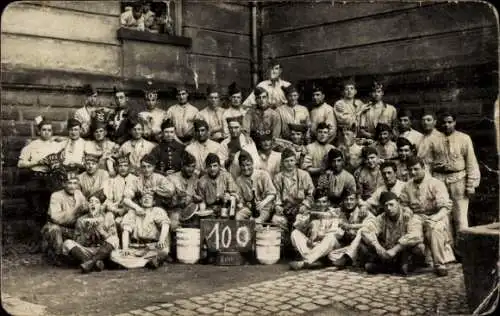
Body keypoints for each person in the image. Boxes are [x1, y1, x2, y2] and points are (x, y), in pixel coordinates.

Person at [399, 157, 456, 276]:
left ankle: (439, 264)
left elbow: (445, 207)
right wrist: (407, 210)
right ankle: (407, 260)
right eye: (410, 170)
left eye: (416, 169)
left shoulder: (435, 184)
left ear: (423, 168)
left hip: (436, 215)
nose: (413, 172)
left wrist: (434, 218)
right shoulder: (407, 186)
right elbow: (403, 203)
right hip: (417, 216)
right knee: (412, 233)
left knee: (435, 229)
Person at [432, 112, 480, 244]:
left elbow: (471, 162)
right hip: (440, 180)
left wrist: (471, 185)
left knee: (460, 217)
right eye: (444, 122)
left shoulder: (464, 138)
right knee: (443, 215)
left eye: (449, 122)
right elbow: (428, 162)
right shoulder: (434, 139)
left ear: (455, 122)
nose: (446, 125)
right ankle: (449, 251)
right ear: (439, 123)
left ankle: (464, 250)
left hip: (459, 180)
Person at [359, 191, 425, 275]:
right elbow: (366, 231)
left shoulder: (409, 216)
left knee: (419, 247)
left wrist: (395, 249)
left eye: (391, 204)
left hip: (403, 252)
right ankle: (395, 267)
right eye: (386, 206)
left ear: (398, 203)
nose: (389, 208)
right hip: (386, 251)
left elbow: (416, 235)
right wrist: (378, 247)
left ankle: (387, 268)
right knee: (363, 245)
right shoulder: (382, 218)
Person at [17, 117, 64, 230]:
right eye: (44, 129)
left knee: (52, 209)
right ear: (39, 131)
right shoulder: (32, 145)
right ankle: (37, 240)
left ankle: (50, 238)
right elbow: (20, 163)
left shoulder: (56, 145)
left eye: (49, 130)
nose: (46, 132)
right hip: (36, 178)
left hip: (52, 179)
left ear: (52, 132)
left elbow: (69, 141)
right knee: (37, 210)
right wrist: (36, 162)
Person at [62, 190, 119, 273]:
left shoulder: (108, 217)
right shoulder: (81, 220)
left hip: (103, 250)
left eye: (96, 202)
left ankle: (91, 263)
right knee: (67, 243)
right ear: (88, 205)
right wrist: (87, 233)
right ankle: (94, 263)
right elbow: (78, 242)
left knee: (114, 239)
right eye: (90, 202)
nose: (93, 204)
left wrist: (100, 230)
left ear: (101, 206)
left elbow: (114, 239)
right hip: (87, 250)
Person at [111, 190, 171, 269]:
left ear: (153, 202)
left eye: (149, 198)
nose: (146, 199)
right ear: (140, 201)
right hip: (135, 248)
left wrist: (162, 240)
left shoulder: (157, 211)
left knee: (164, 251)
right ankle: (146, 263)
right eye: (144, 198)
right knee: (114, 254)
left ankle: (133, 264)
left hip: (152, 247)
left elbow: (165, 224)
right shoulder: (132, 212)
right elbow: (126, 230)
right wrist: (125, 248)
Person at [289, 188, 346, 270]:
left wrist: (319, 236)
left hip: (330, 246)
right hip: (315, 246)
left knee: (330, 237)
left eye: (324, 202)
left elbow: (338, 235)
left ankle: (307, 261)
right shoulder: (311, 213)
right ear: (315, 203)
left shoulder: (335, 213)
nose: (321, 204)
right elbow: (298, 227)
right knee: (295, 233)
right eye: (318, 202)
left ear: (328, 203)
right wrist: (304, 219)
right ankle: (315, 260)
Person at [41, 171, 88, 265]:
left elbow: (85, 208)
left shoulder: (78, 193)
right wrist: (76, 211)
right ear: (63, 184)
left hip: (73, 228)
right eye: (69, 183)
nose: (72, 186)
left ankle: (80, 254)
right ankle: (57, 255)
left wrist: (87, 208)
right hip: (58, 228)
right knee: (54, 229)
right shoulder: (56, 196)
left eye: (75, 183)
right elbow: (56, 218)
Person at [272, 148, 315, 244]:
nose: (289, 163)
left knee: (301, 220)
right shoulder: (278, 177)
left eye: (291, 160)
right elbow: (276, 194)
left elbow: (311, 193)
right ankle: (285, 244)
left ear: (295, 161)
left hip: (300, 208)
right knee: (276, 220)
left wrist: (305, 204)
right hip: (285, 209)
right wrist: (277, 205)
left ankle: (299, 244)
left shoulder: (304, 175)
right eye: (286, 161)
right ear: (282, 162)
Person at [329, 189, 375, 268]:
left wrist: (351, 227)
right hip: (351, 247)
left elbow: (371, 226)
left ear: (357, 200)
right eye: (346, 199)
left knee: (362, 231)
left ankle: (348, 258)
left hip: (365, 246)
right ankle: (352, 260)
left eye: (351, 199)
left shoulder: (362, 211)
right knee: (331, 255)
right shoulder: (341, 213)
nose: (349, 202)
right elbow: (329, 213)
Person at [194, 153, 241, 220]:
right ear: (206, 167)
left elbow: (237, 196)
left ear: (219, 166)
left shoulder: (227, 176)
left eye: (215, 166)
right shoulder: (202, 181)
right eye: (210, 166)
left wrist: (230, 196)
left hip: (226, 209)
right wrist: (202, 208)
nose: (212, 169)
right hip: (209, 211)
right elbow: (202, 201)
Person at [235, 151, 276, 224]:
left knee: (255, 222)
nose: (246, 168)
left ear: (252, 163)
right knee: (238, 217)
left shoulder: (263, 174)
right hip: (249, 208)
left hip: (264, 207)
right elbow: (241, 200)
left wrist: (263, 203)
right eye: (243, 165)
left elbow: (272, 194)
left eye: (248, 165)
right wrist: (242, 204)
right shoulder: (239, 180)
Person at [165, 150, 199, 231]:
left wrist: (198, 198)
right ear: (182, 165)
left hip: (192, 210)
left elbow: (199, 196)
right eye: (188, 166)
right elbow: (165, 202)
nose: (191, 169)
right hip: (175, 210)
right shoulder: (171, 178)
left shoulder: (195, 178)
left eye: (193, 166)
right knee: (174, 224)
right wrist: (176, 198)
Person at [103, 153, 137, 226]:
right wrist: (116, 210)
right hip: (116, 209)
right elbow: (108, 200)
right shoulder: (112, 181)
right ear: (116, 167)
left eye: (125, 165)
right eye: (120, 166)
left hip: (131, 209)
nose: (123, 168)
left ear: (129, 167)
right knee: (109, 217)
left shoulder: (135, 179)